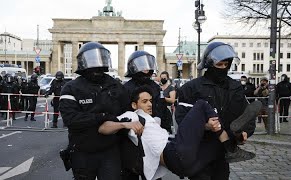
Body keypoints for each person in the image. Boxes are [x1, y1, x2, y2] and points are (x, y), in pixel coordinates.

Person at [98, 85, 260, 180]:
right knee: (202, 105)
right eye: (144, 101)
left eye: (151, 101)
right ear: (134, 105)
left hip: (184, 167)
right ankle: (229, 142)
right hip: (173, 153)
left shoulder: (154, 120)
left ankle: (234, 138)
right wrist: (125, 126)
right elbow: (103, 127)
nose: (149, 104)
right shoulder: (131, 116)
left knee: (215, 144)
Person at [174, 42, 256, 180]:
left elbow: (245, 114)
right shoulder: (191, 87)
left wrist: (244, 133)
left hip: (222, 152)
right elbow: (182, 118)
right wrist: (204, 126)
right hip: (199, 150)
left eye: (226, 64)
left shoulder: (235, 87)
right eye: (219, 65)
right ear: (209, 64)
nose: (223, 68)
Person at [59, 42, 135, 180]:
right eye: (92, 60)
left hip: (110, 150)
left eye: (100, 60)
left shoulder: (115, 85)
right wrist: (101, 117)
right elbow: (71, 120)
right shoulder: (71, 88)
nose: (97, 65)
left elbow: (127, 112)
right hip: (82, 149)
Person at [122, 50, 161, 180]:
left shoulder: (155, 87)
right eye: (142, 66)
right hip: (131, 136)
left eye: (148, 66)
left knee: (153, 173)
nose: (146, 70)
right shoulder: (126, 88)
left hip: (152, 135)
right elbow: (122, 112)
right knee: (130, 171)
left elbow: (160, 108)